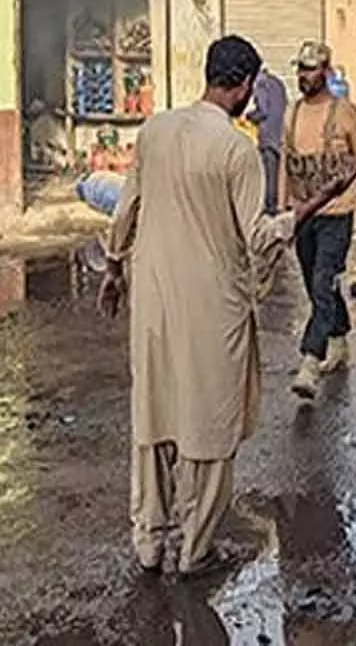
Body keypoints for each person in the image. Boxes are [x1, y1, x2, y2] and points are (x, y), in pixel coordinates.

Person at [99, 36, 305, 577]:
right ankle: (194, 549)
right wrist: (292, 220)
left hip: (153, 299)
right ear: (243, 86)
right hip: (213, 306)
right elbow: (257, 238)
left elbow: (126, 209)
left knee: (154, 414)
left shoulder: (156, 130)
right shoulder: (237, 149)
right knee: (208, 423)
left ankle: (149, 543)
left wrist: (114, 267)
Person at [278, 41, 356, 400]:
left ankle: (310, 360)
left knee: (323, 280)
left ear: (325, 71)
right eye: (301, 69)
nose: (304, 76)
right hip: (304, 213)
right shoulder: (291, 114)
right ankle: (338, 337)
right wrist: (282, 209)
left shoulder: (345, 113)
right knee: (316, 283)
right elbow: (285, 162)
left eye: (310, 69)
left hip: (337, 215)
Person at [245, 68, 287, 215]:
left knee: (269, 175)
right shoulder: (278, 83)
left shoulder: (261, 85)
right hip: (279, 132)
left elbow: (262, 111)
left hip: (267, 135)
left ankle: (270, 208)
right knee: (277, 173)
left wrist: (249, 116)